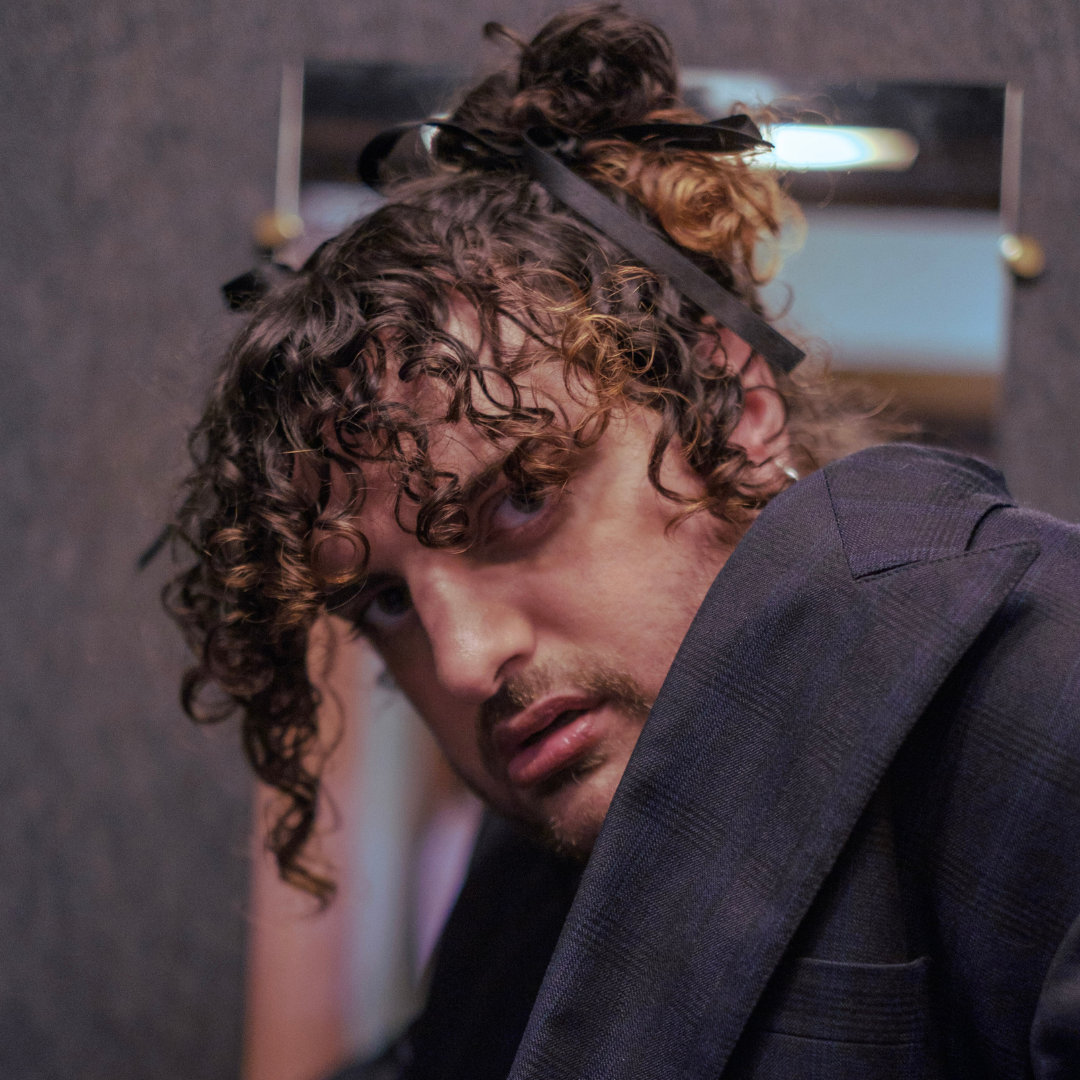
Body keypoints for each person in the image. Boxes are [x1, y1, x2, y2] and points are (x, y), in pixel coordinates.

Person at [167, 6, 1080, 1078]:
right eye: (388, 601)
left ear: (735, 408)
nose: (463, 663)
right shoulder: (542, 854)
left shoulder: (1041, 691)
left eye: (520, 500)